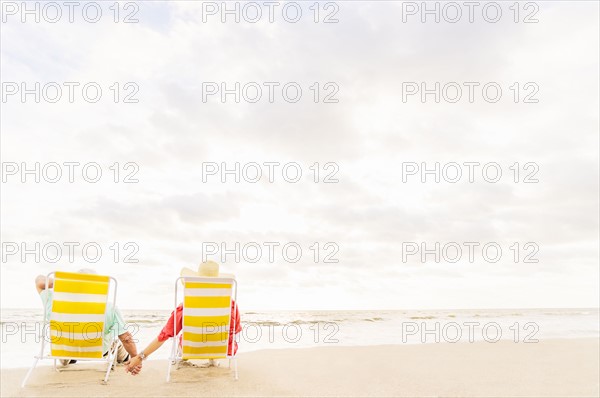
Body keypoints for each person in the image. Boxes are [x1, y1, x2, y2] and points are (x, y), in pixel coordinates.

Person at [125, 261, 241, 375]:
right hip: (224, 349)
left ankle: (184, 359)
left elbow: (164, 335)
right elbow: (235, 330)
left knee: (184, 335)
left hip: (191, 349)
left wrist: (140, 357)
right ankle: (213, 358)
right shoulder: (231, 306)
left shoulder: (185, 308)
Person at [35, 268, 140, 372]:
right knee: (116, 342)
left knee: (65, 341)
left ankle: (68, 358)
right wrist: (135, 357)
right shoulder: (109, 308)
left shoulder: (54, 304)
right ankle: (125, 359)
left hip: (65, 351)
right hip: (99, 351)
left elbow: (39, 281)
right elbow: (126, 338)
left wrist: (66, 282)